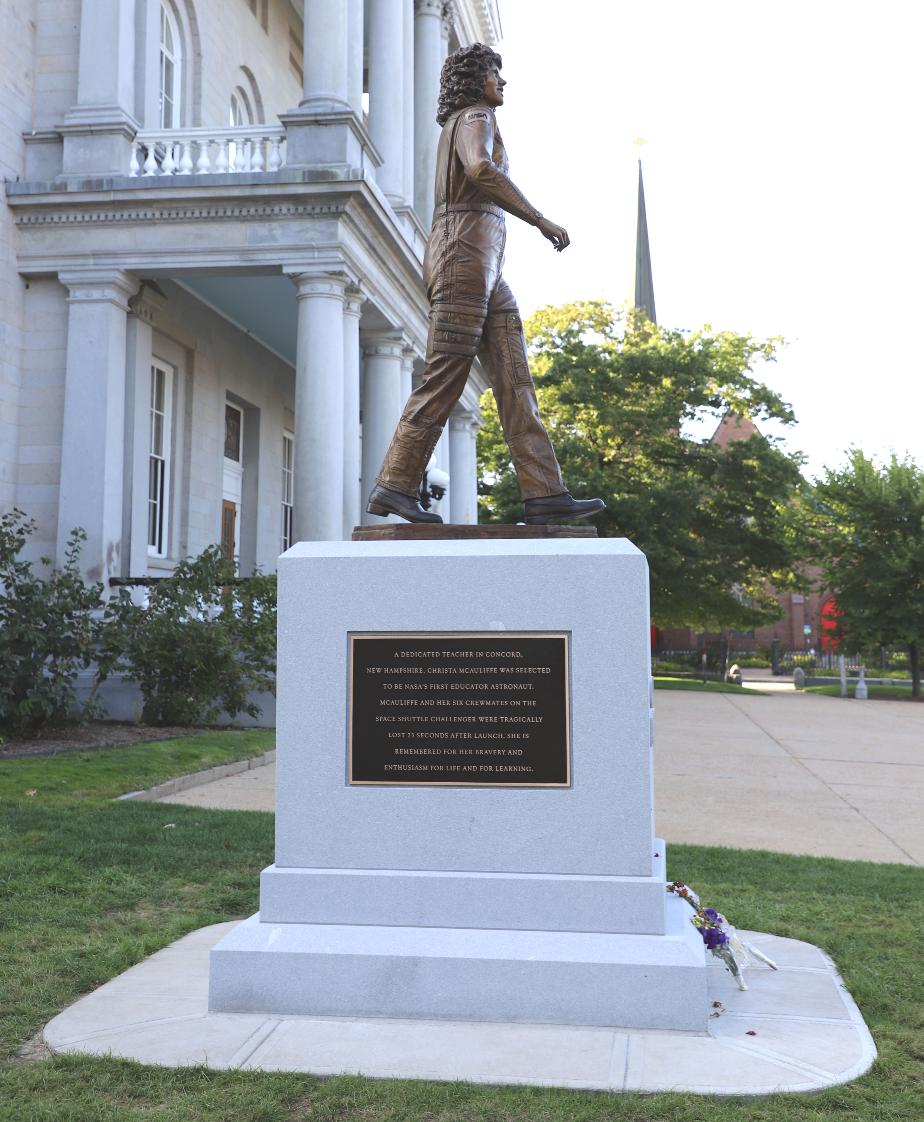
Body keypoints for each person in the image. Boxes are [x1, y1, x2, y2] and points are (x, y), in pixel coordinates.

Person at [365, 42, 605, 526]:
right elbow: (479, 168)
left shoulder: (472, 117)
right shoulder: (476, 116)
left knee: (515, 376)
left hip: (482, 264)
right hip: (464, 257)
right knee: (445, 375)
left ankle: (544, 491)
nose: (503, 81)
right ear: (477, 81)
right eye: (496, 72)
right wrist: (539, 219)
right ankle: (395, 485)